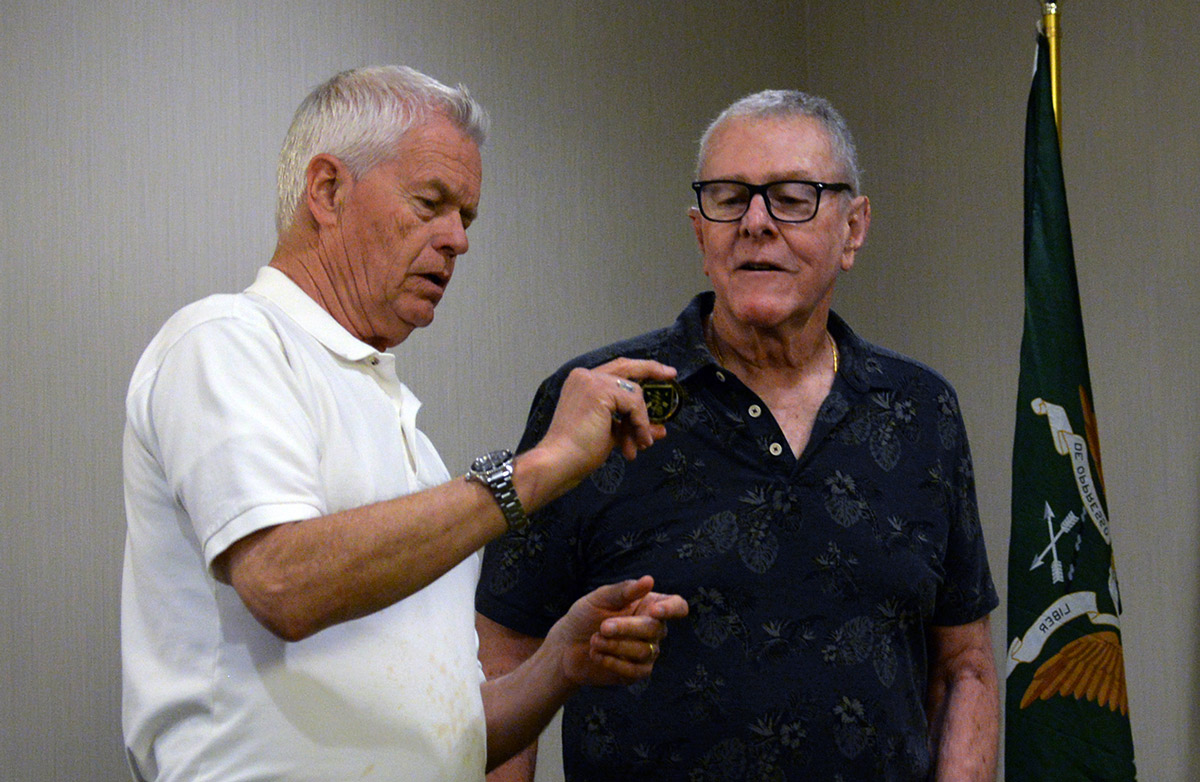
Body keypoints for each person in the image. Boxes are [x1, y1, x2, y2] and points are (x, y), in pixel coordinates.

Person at [120, 65, 688, 782]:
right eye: (432, 203)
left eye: (468, 217)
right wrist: (534, 470)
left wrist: (559, 664)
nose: (458, 240)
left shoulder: (409, 438)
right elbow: (283, 584)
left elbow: (441, 739)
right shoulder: (227, 340)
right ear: (327, 190)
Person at [476, 89, 999, 781]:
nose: (755, 222)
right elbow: (506, 653)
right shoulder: (599, 400)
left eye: (793, 196)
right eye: (730, 197)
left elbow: (964, 667)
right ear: (700, 232)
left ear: (854, 228)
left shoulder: (922, 408)